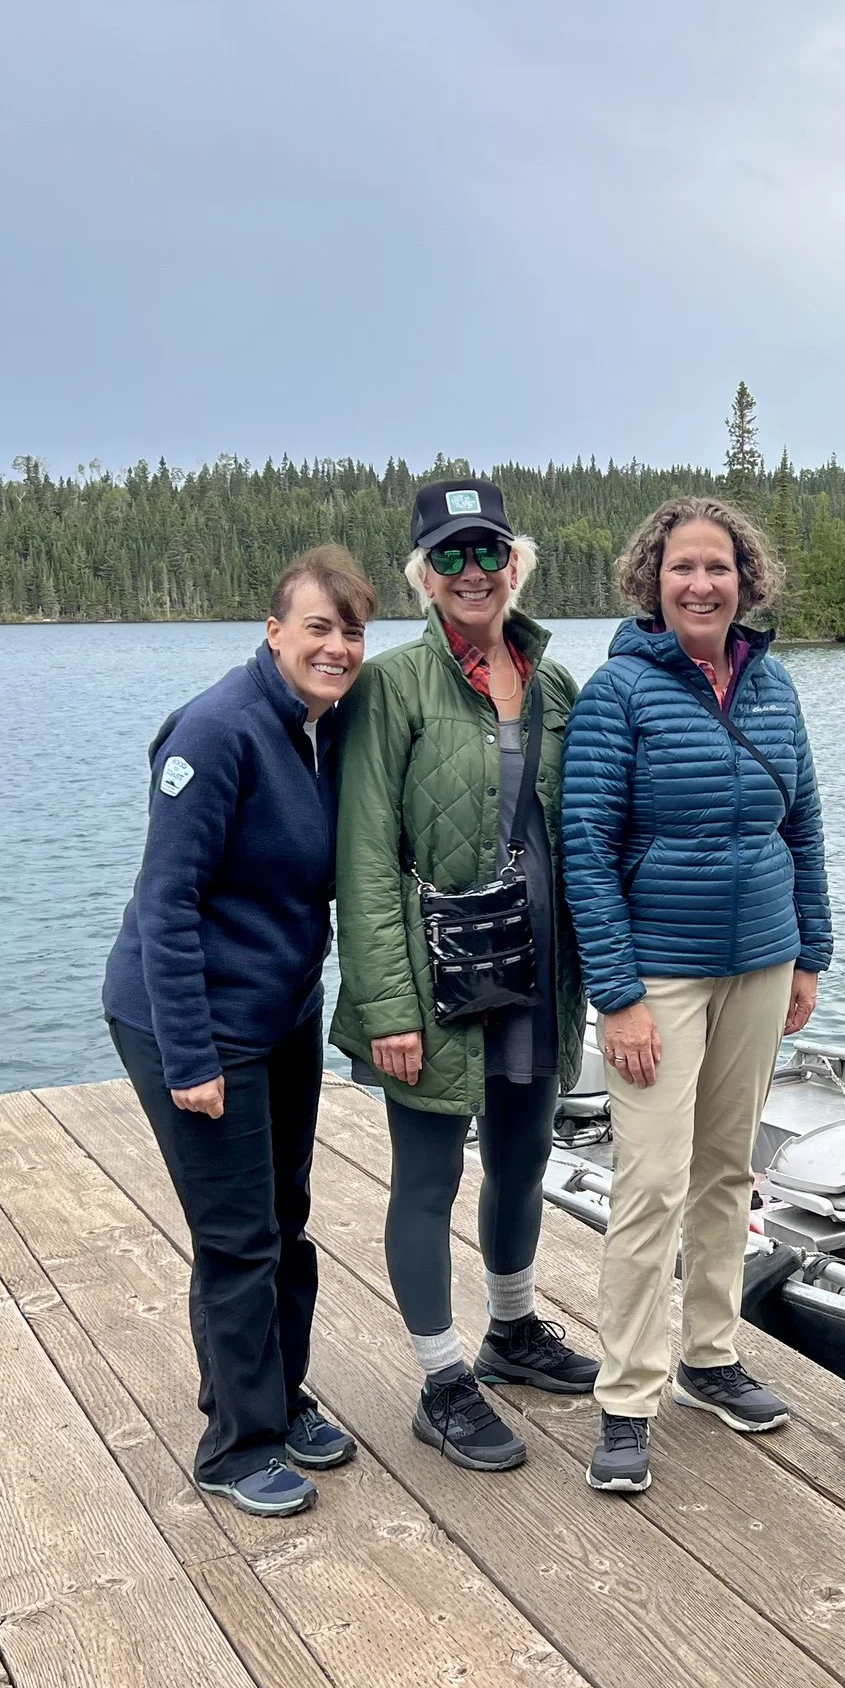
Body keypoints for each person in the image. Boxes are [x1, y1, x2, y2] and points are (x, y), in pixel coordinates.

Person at [560, 496, 831, 1493]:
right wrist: (619, 996)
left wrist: (810, 955)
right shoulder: (617, 695)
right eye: (682, 569)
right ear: (651, 580)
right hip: (661, 976)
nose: (701, 584)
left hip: (761, 964)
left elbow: (801, 829)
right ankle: (626, 1397)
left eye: (718, 568)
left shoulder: (776, 691)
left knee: (726, 1173)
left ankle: (708, 1359)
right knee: (651, 1185)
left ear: (744, 579)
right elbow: (584, 852)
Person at [332, 477, 598, 1473]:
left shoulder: (558, 684)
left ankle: (514, 1333)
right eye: (448, 557)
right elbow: (361, 856)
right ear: (423, 578)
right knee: (429, 1175)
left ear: (515, 562)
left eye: (488, 551)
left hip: (538, 968)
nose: (472, 572)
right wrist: (388, 1005)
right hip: (432, 982)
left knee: (524, 1157)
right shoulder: (391, 687)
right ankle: (443, 1383)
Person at [105, 544, 372, 1517]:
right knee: (237, 1237)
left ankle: (276, 1396)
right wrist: (192, 1057)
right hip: (192, 1016)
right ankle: (236, 1445)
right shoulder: (216, 733)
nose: (336, 647)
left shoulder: (322, 729)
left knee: (285, 1217)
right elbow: (167, 900)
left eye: (350, 631)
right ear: (273, 631)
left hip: (280, 1009)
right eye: (317, 627)